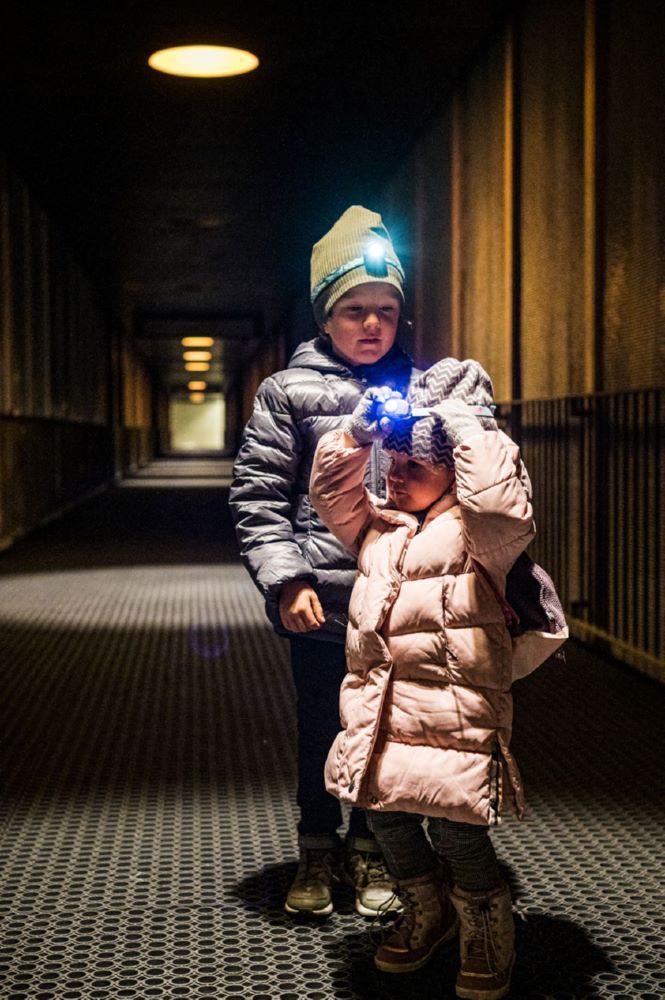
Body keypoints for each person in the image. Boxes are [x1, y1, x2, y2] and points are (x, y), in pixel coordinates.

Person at [309, 360, 535, 999]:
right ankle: (427, 911)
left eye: (418, 465)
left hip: (453, 717)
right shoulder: (375, 528)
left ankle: (487, 925)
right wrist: (356, 434)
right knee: (385, 820)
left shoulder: (480, 535)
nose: (399, 476)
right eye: (395, 462)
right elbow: (328, 490)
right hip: (380, 712)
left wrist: (463, 421)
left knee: (458, 829)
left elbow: (498, 494)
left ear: (452, 469)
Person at [229, 205, 416, 917]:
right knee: (323, 724)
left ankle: (371, 849)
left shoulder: (425, 389)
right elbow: (257, 497)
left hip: (399, 602)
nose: (372, 325)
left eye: (386, 311)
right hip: (322, 604)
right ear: (324, 316)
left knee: (390, 728)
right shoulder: (287, 393)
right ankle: (317, 843)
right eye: (354, 310)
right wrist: (287, 580)